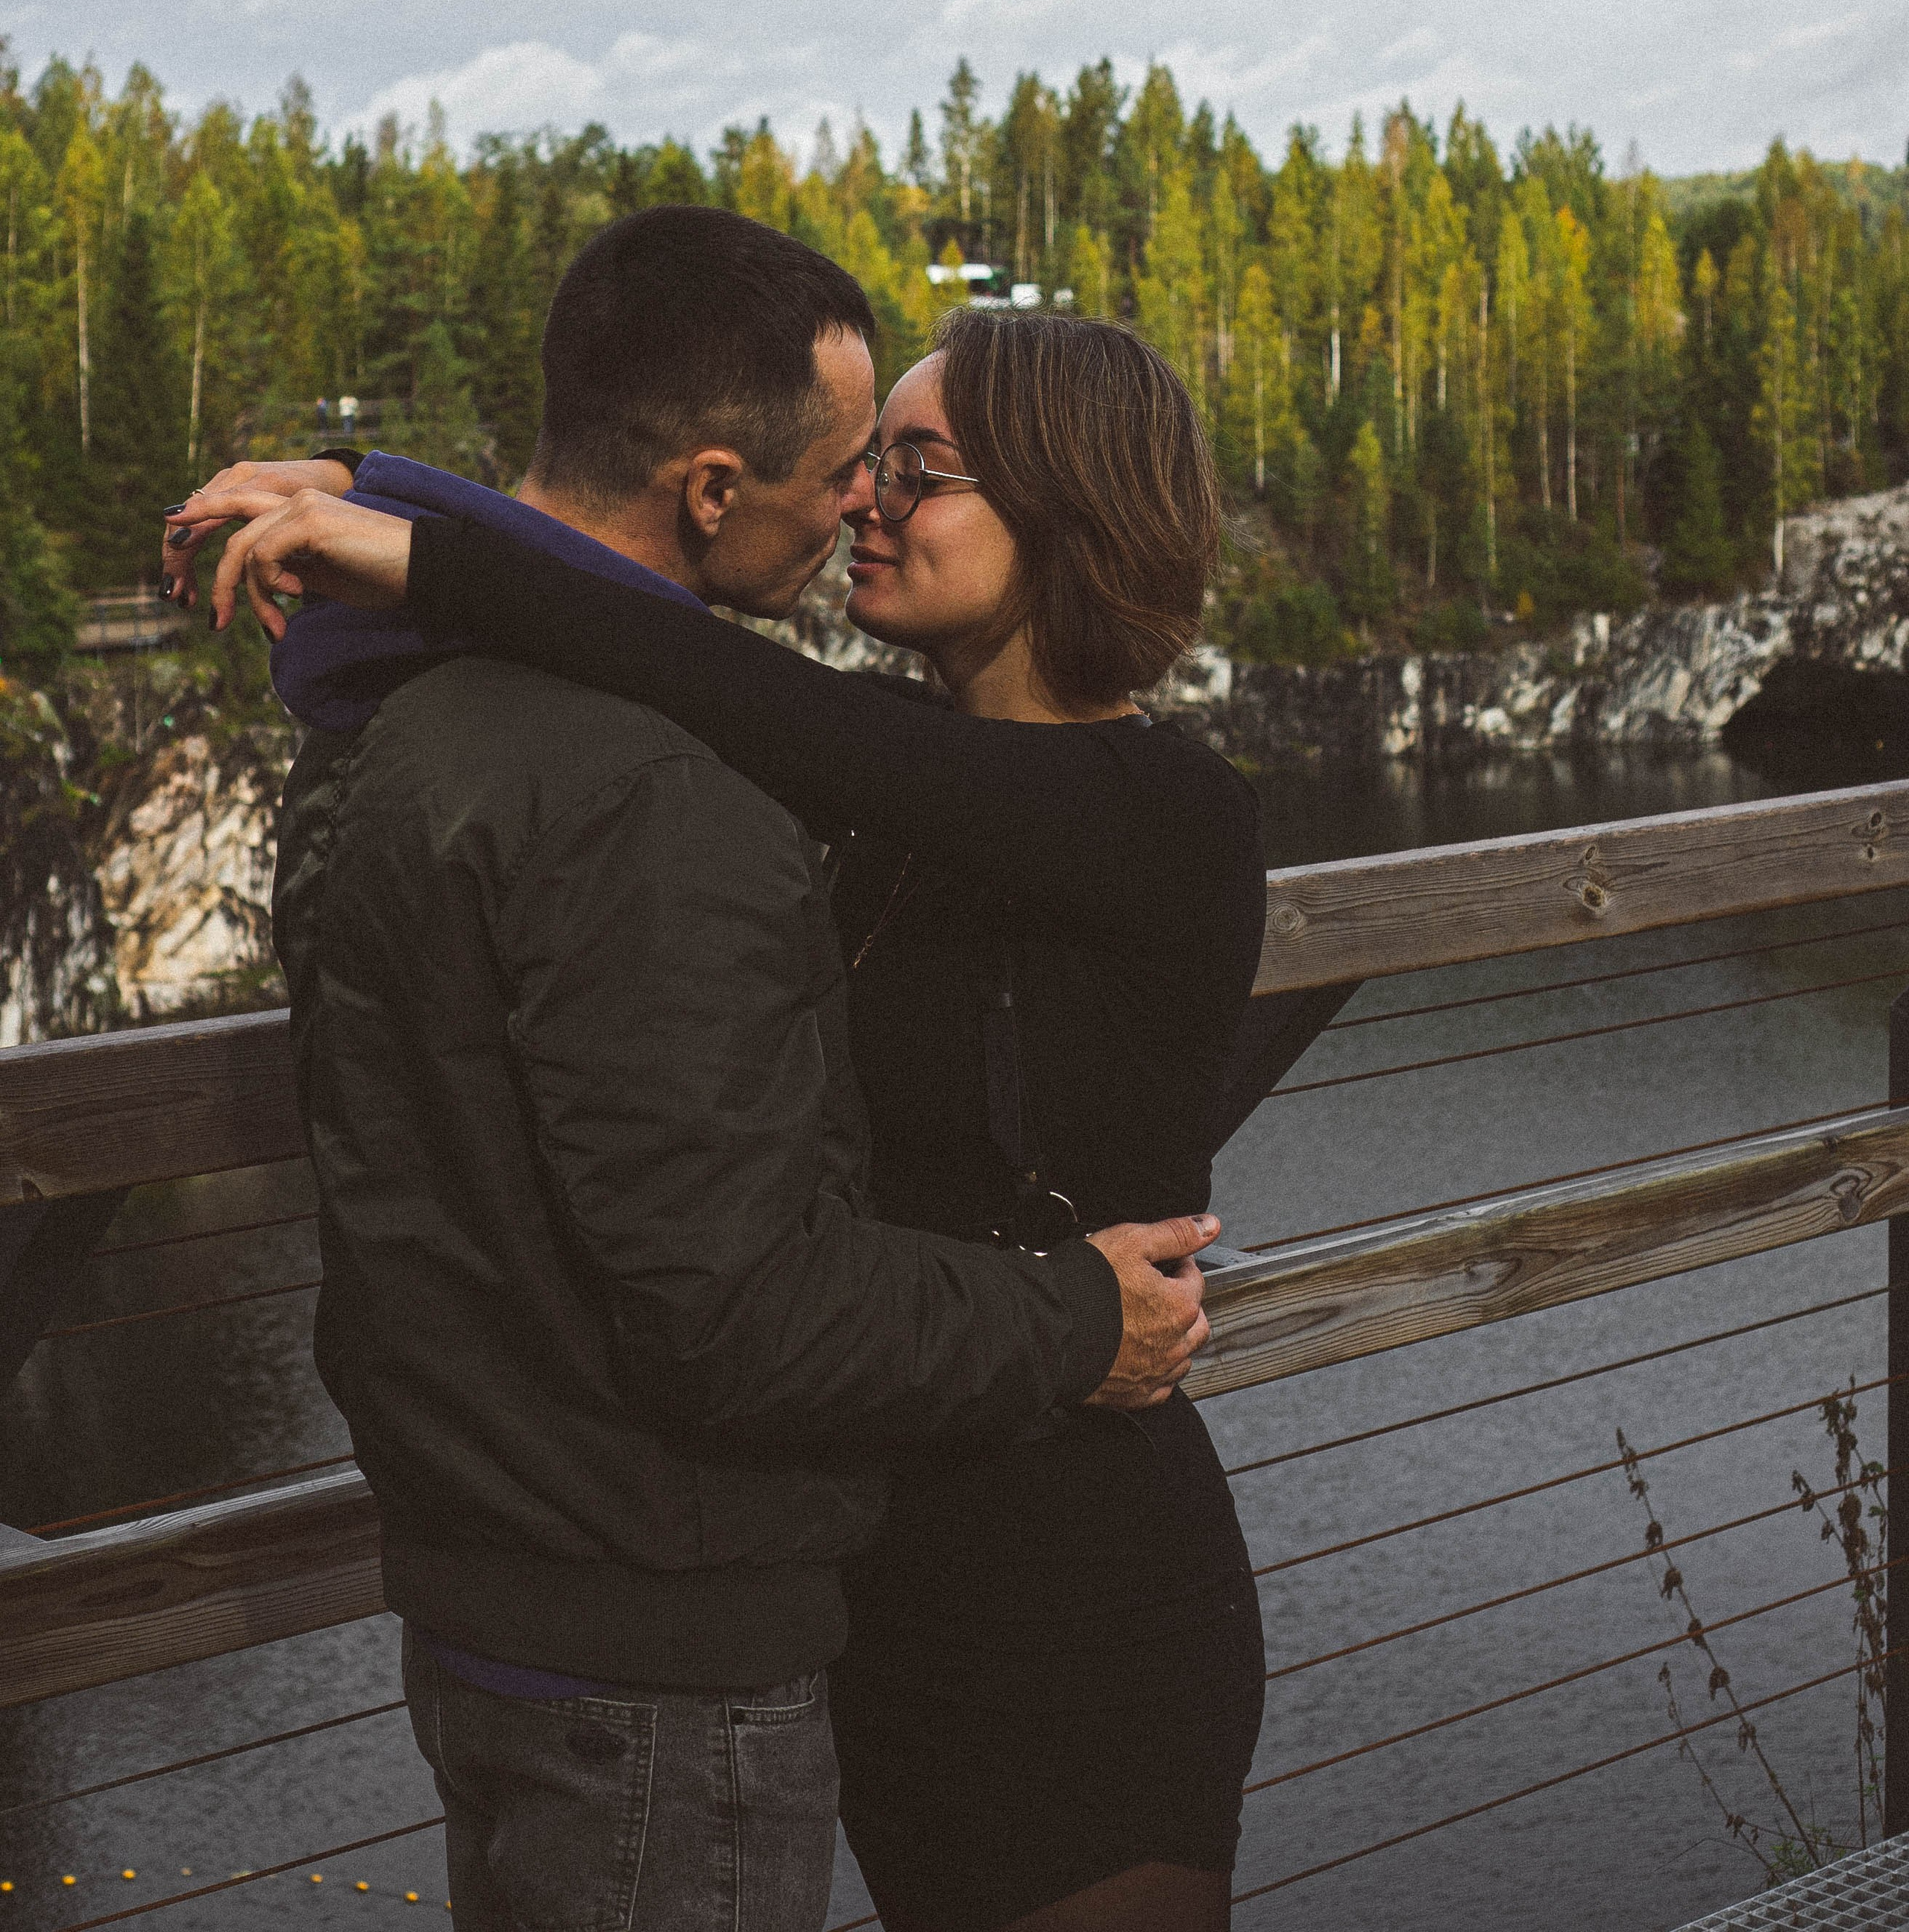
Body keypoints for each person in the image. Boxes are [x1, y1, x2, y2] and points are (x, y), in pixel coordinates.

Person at [166, 210, 1218, 1932]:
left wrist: (408, 526)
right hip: (845, 1565)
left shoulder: (1156, 816)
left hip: (1065, 1569)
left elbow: (692, 656)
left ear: (1067, 512)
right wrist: (391, 498)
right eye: (861, 464)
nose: (864, 502)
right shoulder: (865, 796)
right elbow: (670, 631)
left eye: (916, 470)